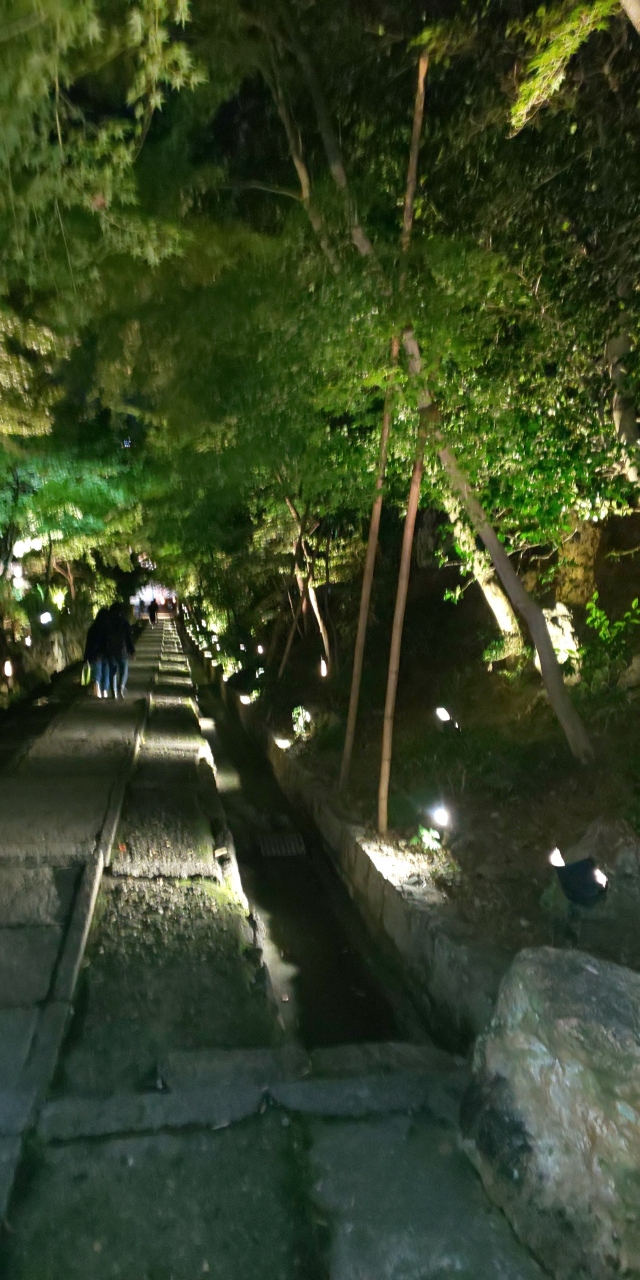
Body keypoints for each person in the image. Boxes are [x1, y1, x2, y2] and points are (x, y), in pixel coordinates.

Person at [104, 601, 136, 698]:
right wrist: (132, 651)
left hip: (110, 650)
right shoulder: (124, 622)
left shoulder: (107, 622)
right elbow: (128, 638)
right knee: (124, 670)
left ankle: (114, 691)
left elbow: (103, 637)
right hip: (122, 650)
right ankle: (121, 687)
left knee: (112, 671)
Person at [84, 607, 110, 698]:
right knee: (106, 672)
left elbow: (88, 643)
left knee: (97, 672)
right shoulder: (108, 628)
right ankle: (105, 690)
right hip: (106, 653)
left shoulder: (93, 628)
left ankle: (97, 687)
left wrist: (86, 657)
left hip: (95, 653)